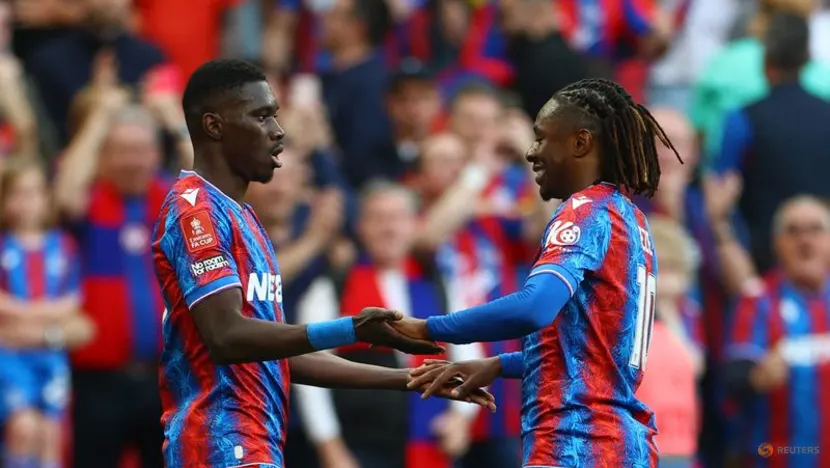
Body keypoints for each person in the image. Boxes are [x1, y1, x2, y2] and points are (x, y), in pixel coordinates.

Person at [151, 59, 494, 468]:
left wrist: (410, 378)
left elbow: (275, 352)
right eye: (261, 116)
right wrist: (351, 329)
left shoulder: (243, 217)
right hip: (216, 444)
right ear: (214, 126)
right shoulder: (196, 211)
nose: (278, 131)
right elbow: (226, 337)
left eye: (276, 116)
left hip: (256, 442)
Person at [396, 77, 681, 467]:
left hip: (575, 440)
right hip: (619, 441)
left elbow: (535, 307)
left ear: (580, 143)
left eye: (543, 138)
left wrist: (428, 329)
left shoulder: (584, 210)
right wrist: (499, 364)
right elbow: (590, 353)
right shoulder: (631, 218)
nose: (531, 151)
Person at [0, 158, 94, 468]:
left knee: (52, 433)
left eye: (35, 192)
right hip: (9, 355)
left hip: (52, 353)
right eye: (18, 193)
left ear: (47, 198)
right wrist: (45, 314)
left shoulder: (63, 246)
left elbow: (72, 302)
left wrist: (27, 316)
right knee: (23, 428)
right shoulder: (4, 246)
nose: (27, 201)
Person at [723, 195, 830, 467]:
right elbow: (733, 380)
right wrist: (757, 378)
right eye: (793, 231)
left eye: (816, 229)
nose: (805, 240)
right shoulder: (757, 300)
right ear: (777, 243)